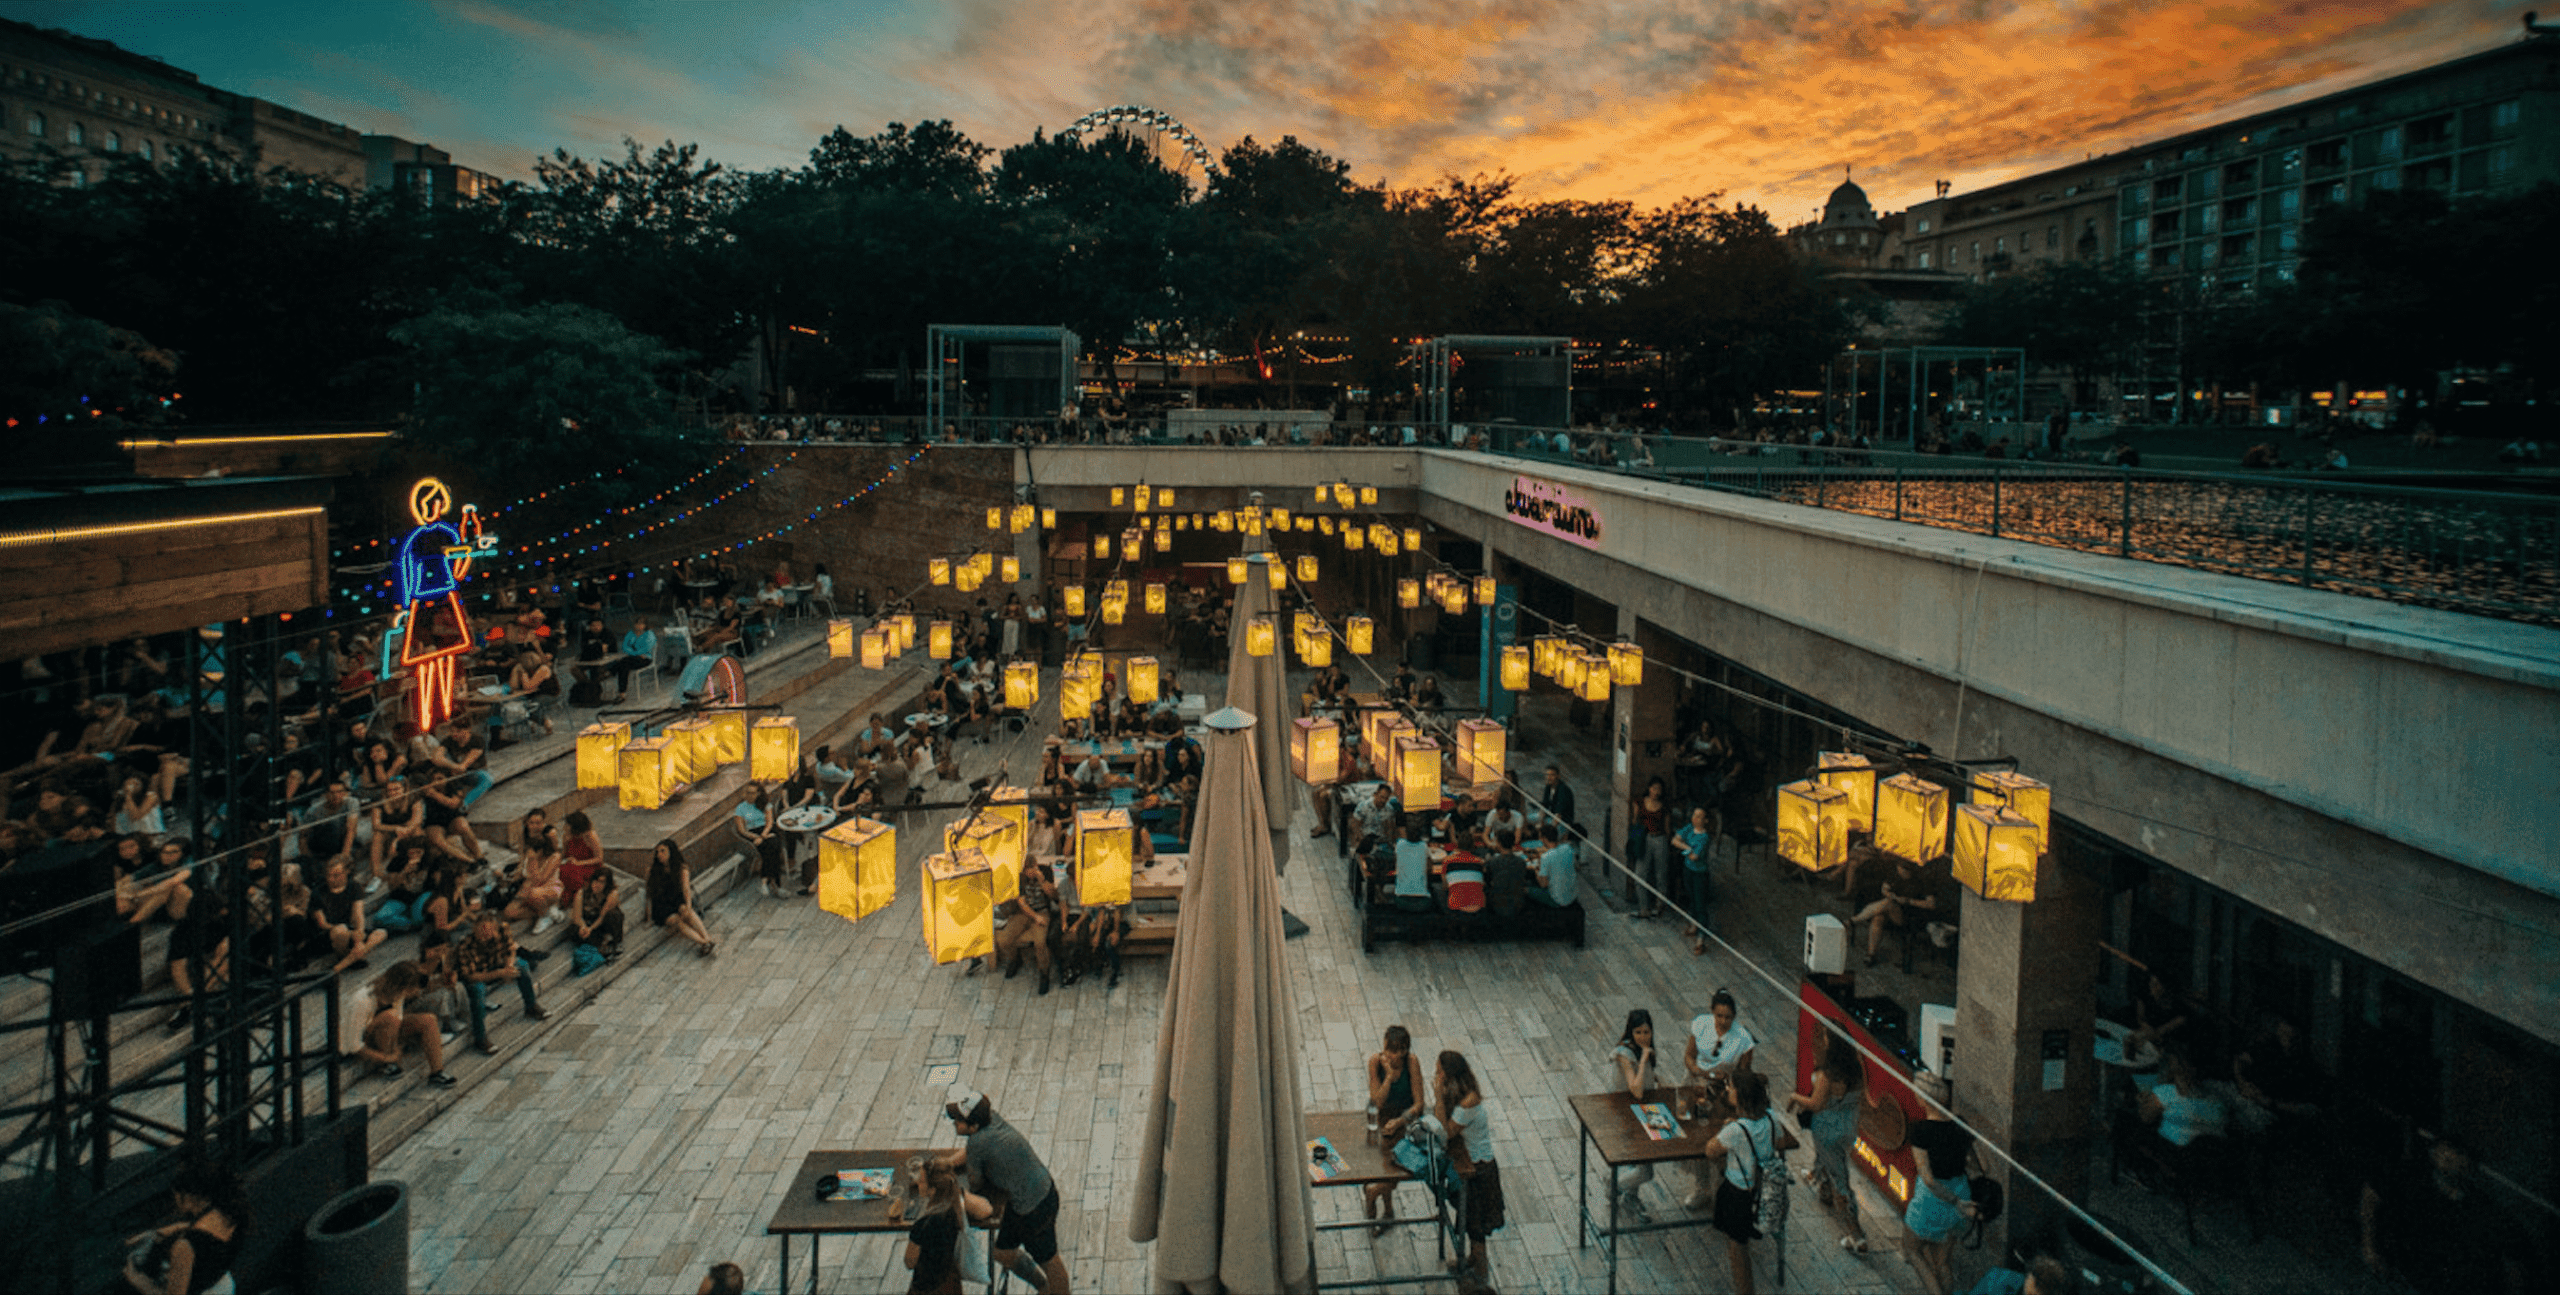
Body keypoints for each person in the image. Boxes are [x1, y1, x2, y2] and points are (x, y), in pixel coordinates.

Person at [2359, 1134, 2528, 1295]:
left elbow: (2514, 1255)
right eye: (2443, 1150)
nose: (2447, 1157)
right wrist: (2369, 1246)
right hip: (2401, 1278)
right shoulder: (2413, 1178)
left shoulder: (2480, 1207)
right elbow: (2372, 1192)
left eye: (2456, 1154)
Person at [940, 1087, 1070, 1295]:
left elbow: (976, 1183)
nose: (954, 1123)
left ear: (972, 1126)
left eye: (957, 1120)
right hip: (1037, 1193)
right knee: (1002, 1252)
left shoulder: (977, 1143)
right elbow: (972, 1152)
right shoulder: (991, 1118)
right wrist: (948, 1163)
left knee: (1050, 1261)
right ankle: (1042, 1287)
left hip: (1034, 1209)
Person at [1701, 1070, 1794, 1295]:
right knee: (1743, 1238)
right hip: (1763, 1189)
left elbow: (1710, 1150)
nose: (1727, 1091)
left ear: (1740, 1095)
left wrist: (1730, 1129)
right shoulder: (1771, 1118)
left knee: (1737, 1248)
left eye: (1731, 1087)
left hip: (1738, 1193)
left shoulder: (1735, 1130)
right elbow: (1779, 1142)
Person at [1783, 1030, 1870, 1252]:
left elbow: (1815, 1104)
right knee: (1832, 1160)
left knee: (1840, 1177)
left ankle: (1855, 1233)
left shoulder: (1828, 1076)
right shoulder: (1857, 1071)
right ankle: (1819, 1182)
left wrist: (1794, 1097)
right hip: (1847, 1127)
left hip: (1827, 1128)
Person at [1903, 1072, 1979, 1295]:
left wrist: (1954, 1201)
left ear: (1924, 1099)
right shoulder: (1960, 1125)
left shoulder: (1919, 1129)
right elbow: (1982, 1166)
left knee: (1911, 1250)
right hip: (1961, 1193)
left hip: (1934, 1201)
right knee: (1942, 1261)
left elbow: (1928, 1178)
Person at [120, 1161, 246, 1295]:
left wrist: (138, 1281)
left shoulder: (185, 1246)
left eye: (176, 1195)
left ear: (188, 1197)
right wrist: (158, 1233)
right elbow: (194, 1229)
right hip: (221, 1286)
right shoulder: (233, 1215)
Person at [1434, 1050, 1502, 1288]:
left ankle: (1482, 1281)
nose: (1437, 1076)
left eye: (1439, 1072)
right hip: (1469, 1164)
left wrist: (1437, 1096)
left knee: (1476, 1227)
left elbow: (1445, 1132)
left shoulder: (1469, 1101)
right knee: (1469, 1219)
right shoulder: (1460, 1092)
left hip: (1479, 1170)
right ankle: (1472, 1260)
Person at [345, 960, 457, 1087]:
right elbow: (354, 1046)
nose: (415, 992)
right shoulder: (362, 1000)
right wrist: (387, 1058)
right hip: (363, 1042)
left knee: (429, 1020)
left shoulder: (397, 994)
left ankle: (437, 1072)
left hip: (387, 1033)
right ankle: (387, 1065)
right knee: (389, 1015)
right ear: (403, 987)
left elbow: (398, 1019)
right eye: (413, 989)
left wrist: (397, 1045)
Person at [456, 910, 549, 1056]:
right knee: (478, 991)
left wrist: (509, 965)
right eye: (483, 931)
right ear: (475, 929)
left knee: (522, 965)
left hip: (496, 964)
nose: (487, 935)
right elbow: (470, 976)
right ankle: (480, 1037)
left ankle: (531, 1005)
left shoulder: (502, 929)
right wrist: (500, 973)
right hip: (479, 975)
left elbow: (510, 949)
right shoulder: (466, 945)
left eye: (490, 931)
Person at [1364, 1025, 1428, 1230]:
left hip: (1406, 1122)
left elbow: (1419, 1103)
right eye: (1385, 1049)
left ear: (1402, 1051)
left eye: (1392, 1051)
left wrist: (1400, 1121)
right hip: (1382, 1120)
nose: (1386, 1055)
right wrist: (1389, 1077)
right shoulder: (1376, 1062)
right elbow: (1377, 1102)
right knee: (1385, 1165)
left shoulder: (1411, 1062)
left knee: (1400, 1165)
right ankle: (1388, 1209)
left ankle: (1374, 1194)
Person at [902, 1157, 993, 1295]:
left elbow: (909, 1262)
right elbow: (986, 1209)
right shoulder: (955, 1204)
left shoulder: (922, 1225)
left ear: (932, 1190)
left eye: (921, 1181)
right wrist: (959, 1191)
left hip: (927, 1287)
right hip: (950, 1280)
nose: (917, 1183)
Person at [1608, 1010, 1664, 1219]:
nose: (1643, 1036)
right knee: (1646, 1171)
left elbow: (1647, 1080)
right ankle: (1613, 1186)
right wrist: (1643, 1061)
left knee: (1654, 1151)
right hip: (1626, 1113)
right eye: (1638, 1032)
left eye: (1647, 1031)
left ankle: (1630, 1195)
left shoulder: (1645, 1050)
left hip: (1646, 1109)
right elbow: (1637, 1089)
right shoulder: (1625, 1053)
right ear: (1630, 1032)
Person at [1685, 988, 1756, 1128]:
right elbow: (1689, 1056)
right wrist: (1697, 1071)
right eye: (1719, 1016)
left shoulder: (1744, 1039)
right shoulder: (1701, 1024)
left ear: (1734, 1016)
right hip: (1696, 1082)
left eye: (1728, 1017)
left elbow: (1743, 1074)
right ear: (1712, 1012)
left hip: (1722, 1090)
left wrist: (1729, 1083)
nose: (1723, 1021)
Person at [995, 860, 1059, 995]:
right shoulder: (1020, 878)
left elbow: (1054, 896)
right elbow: (1022, 903)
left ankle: (1044, 973)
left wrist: (1043, 882)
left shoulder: (1045, 872)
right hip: (1024, 913)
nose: (1029, 875)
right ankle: (1014, 959)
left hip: (1042, 911)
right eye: (1026, 872)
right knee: (1004, 940)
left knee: (1040, 942)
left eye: (1031, 871)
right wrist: (1035, 917)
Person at [647, 838, 715, 956]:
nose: (659, 855)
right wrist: (648, 918)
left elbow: (686, 889)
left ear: (671, 852)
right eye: (657, 852)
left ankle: (707, 938)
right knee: (677, 921)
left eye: (663, 851)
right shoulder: (652, 871)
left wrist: (688, 907)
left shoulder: (681, 868)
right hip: (662, 906)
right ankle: (704, 942)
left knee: (686, 911)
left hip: (676, 900)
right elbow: (649, 896)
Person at [1629, 777, 1672, 919]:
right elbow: (1635, 821)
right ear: (1649, 788)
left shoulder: (1664, 806)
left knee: (1661, 875)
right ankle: (1643, 908)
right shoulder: (1640, 802)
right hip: (1644, 838)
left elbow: (1667, 828)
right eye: (1654, 788)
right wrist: (1634, 842)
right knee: (1640, 874)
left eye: (1659, 789)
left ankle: (1659, 906)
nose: (1656, 792)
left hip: (1659, 839)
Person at [1675, 805, 1716, 955]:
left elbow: (1695, 856)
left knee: (1700, 905)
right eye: (1694, 815)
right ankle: (1693, 925)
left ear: (1705, 820)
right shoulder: (1689, 828)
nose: (1695, 818)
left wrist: (1684, 847)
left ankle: (1701, 940)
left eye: (1699, 816)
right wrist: (1687, 848)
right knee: (1691, 898)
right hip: (1688, 870)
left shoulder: (1704, 837)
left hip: (1699, 874)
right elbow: (1675, 840)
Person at [734, 783, 787, 897]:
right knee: (772, 849)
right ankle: (776, 886)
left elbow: (769, 822)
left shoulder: (765, 804)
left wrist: (763, 836)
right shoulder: (740, 808)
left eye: (752, 793)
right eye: (748, 792)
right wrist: (757, 837)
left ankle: (764, 881)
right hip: (752, 833)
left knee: (774, 845)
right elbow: (742, 830)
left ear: (758, 793)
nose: (749, 795)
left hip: (766, 830)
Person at [568, 867, 624, 964]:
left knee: (613, 915)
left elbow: (602, 917)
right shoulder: (582, 892)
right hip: (590, 923)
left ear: (607, 884)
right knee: (573, 930)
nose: (596, 884)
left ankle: (609, 941)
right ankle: (601, 943)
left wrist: (590, 929)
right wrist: (584, 927)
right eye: (595, 880)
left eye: (601, 882)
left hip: (603, 923)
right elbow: (576, 917)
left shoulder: (612, 894)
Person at [1525, 820, 1577, 908]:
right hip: (1572, 896)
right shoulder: (1568, 848)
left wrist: (1536, 870)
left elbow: (1543, 884)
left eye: (1540, 838)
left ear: (1544, 839)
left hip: (1558, 900)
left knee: (1525, 889)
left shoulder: (1546, 857)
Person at [1389, 818, 1435, 912]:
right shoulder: (1423, 846)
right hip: (1422, 901)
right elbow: (1429, 868)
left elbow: (1396, 862)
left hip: (1401, 899)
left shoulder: (1400, 845)